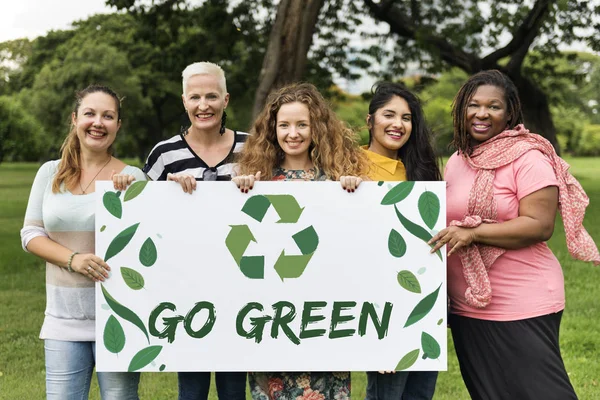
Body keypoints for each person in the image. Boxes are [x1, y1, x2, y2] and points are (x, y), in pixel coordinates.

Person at [429, 70, 600, 400]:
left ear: (510, 113)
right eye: (473, 105)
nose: (481, 113)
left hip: (522, 299)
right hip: (469, 304)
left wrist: (476, 232)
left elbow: (539, 225)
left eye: (493, 106)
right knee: (490, 393)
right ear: (461, 109)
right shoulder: (457, 160)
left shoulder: (529, 158)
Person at [233, 82, 369, 400]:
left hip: (323, 322)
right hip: (272, 321)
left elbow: (356, 244)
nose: (293, 133)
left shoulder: (336, 184)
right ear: (272, 129)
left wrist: (354, 191)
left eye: (301, 125)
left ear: (315, 128)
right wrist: (237, 190)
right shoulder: (258, 183)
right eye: (284, 125)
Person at [20, 84, 144, 399]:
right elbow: (31, 234)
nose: (98, 123)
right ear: (74, 119)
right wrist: (73, 258)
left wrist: (131, 198)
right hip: (62, 320)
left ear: (119, 125)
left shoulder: (133, 179)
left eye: (108, 116)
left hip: (119, 319)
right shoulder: (50, 174)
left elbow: (147, 247)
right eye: (90, 114)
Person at [142, 61, 248, 400]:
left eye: (212, 96)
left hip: (243, 285)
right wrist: (166, 191)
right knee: (192, 388)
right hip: (186, 288)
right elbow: (141, 218)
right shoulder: (164, 154)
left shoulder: (253, 148)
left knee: (234, 387)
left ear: (226, 100)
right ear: (184, 101)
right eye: (195, 97)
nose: (204, 105)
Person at [359, 82, 441, 400]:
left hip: (420, 300)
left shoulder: (420, 171)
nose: (397, 124)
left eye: (406, 118)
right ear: (370, 121)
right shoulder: (350, 166)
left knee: (419, 393)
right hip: (379, 304)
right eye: (388, 114)